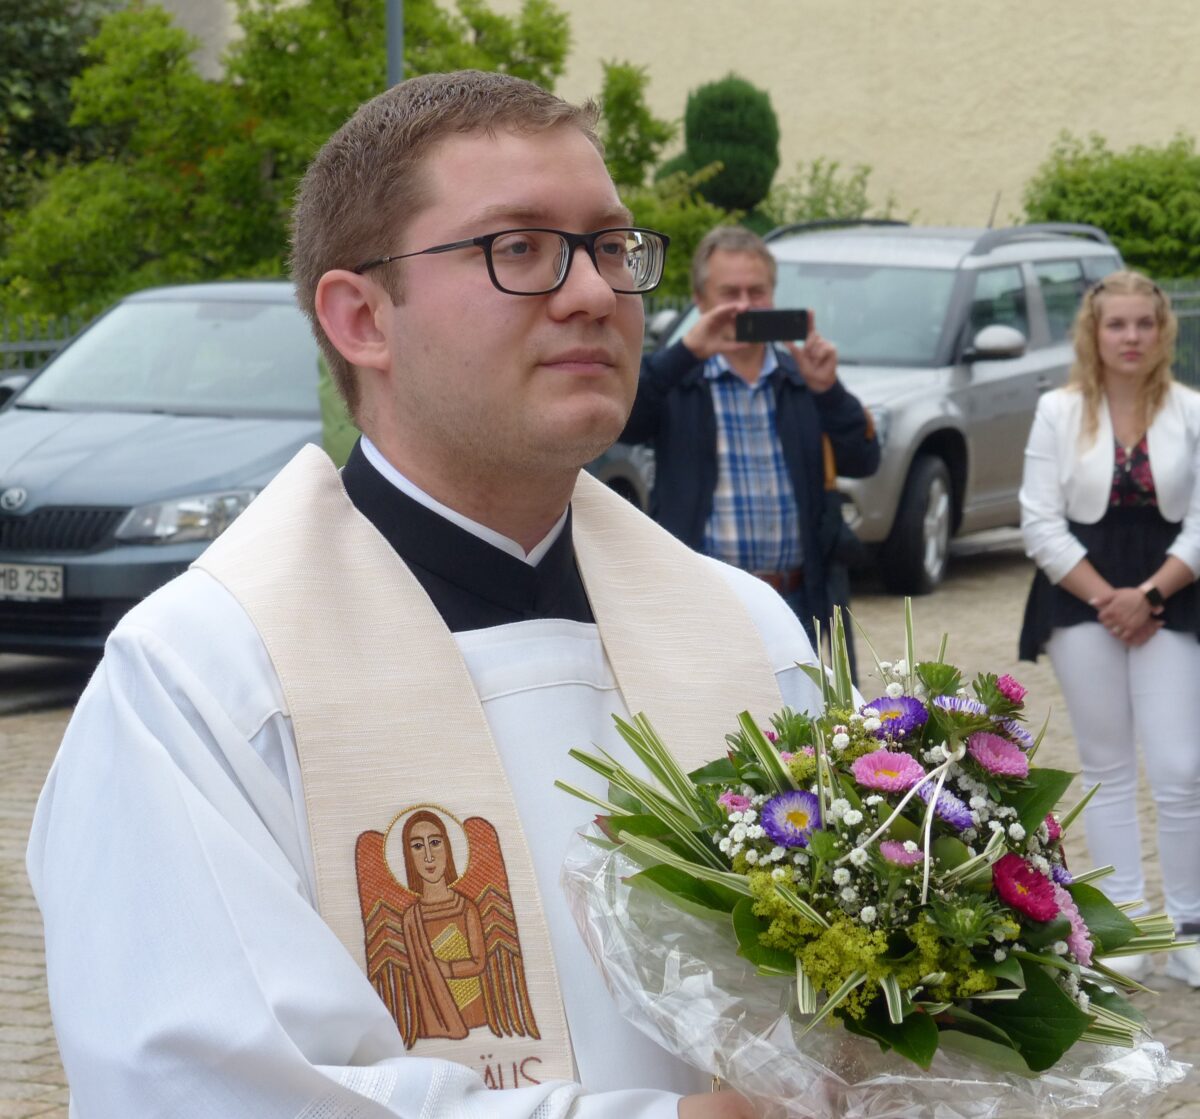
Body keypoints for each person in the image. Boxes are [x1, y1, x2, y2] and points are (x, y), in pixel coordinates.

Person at [25, 71, 828, 1118]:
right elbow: (202, 1085)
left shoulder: (748, 633)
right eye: (520, 248)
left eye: (610, 247)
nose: (595, 293)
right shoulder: (206, 678)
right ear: (362, 318)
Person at [1018, 270, 1200, 986]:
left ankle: (1188, 923)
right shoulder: (1057, 411)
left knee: (1181, 768)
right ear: (1093, 333)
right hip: (1080, 591)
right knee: (1106, 767)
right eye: (1116, 324)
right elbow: (1038, 520)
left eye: (1144, 324)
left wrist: (1149, 595)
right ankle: (1124, 922)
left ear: (1163, 331)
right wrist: (1109, 599)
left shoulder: (1190, 409)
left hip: (1173, 589)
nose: (1131, 337)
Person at [618, 226, 879, 652]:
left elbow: (864, 459)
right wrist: (685, 353)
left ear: (772, 296)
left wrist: (829, 391)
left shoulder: (800, 380)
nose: (744, 305)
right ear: (701, 301)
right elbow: (623, 421)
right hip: (704, 600)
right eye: (729, 293)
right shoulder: (680, 380)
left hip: (794, 599)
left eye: (756, 292)